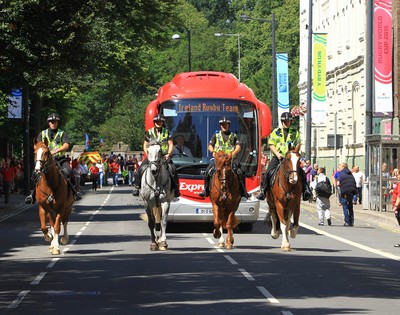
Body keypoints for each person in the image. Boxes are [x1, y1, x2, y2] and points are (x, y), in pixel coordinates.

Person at [25, 113, 82, 204]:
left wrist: (55, 151)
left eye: (55, 122)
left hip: (60, 159)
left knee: (69, 171)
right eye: (51, 122)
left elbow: (66, 145)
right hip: (46, 161)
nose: (53, 123)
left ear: (57, 122)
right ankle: (32, 195)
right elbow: (37, 145)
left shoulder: (62, 133)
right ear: (48, 123)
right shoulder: (42, 134)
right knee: (34, 174)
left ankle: (75, 193)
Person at [257, 112, 312, 201]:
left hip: (290, 158)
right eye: (285, 121)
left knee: (301, 172)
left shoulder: (295, 132)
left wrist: (295, 151)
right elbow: (271, 144)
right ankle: (263, 191)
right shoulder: (276, 132)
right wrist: (277, 154)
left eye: (288, 121)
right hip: (279, 157)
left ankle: (306, 191)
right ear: (282, 122)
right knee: (268, 172)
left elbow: (299, 144)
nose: (287, 123)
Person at [198, 117, 250, 199]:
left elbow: (238, 146)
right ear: (220, 126)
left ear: (228, 125)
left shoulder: (233, 136)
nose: (224, 126)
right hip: (219, 159)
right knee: (208, 171)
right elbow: (210, 145)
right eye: (222, 125)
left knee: (240, 172)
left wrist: (233, 153)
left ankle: (243, 191)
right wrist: (213, 152)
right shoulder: (216, 135)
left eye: (225, 124)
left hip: (230, 159)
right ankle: (206, 190)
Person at [132, 114, 180, 197]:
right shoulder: (149, 132)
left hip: (163, 155)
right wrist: (148, 154)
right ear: (154, 122)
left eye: (160, 121)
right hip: (152, 156)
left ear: (162, 122)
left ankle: (175, 190)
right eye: (157, 121)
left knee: (173, 169)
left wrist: (168, 154)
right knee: (140, 169)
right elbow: (145, 145)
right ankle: (137, 187)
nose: (159, 123)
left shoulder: (166, 132)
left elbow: (171, 144)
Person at [336, 162, 357, 226]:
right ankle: (352, 221)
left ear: (343, 167)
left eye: (340, 167)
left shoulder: (341, 174)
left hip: (344, 192)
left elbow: (338, 183)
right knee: (350, 207)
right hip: (351, 192)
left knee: (345, 206)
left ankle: (347, 221)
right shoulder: (351, 174)